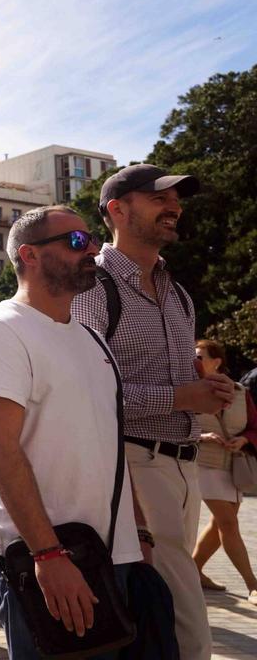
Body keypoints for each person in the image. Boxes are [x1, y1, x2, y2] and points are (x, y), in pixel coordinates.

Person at [0, 206, 146, 659]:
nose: (90, 250)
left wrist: (138, 534)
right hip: (42, 557)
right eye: (74, 242)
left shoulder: (91, 337)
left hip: (108, 554)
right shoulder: (1, 331)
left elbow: (110, 442)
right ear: (29, 255)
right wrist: (47, 554)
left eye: (89, 240)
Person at [71, 164, 232, 660]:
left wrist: (206, 388)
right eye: (158, 197)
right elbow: (84, 392)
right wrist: (182, 398)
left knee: (161, 611)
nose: (174, 206)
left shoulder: (178, 293)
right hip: (133, 464)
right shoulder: (94, 288)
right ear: (117, 210)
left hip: (183, 463)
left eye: (177, 198)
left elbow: (176, 374)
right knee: (185, 622)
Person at [191, 339, 257, 604]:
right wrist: (201, 434)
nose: (194, 361)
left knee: (220, 524)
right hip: (201, 464)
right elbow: (172, 421)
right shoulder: (189, 389)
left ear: (216, 361)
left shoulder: (241, 392)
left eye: (200, 356)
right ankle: (252, 584)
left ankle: (195, 570)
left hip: (232, 466)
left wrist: (245, 440)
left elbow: (254, 426)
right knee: (229, 523)